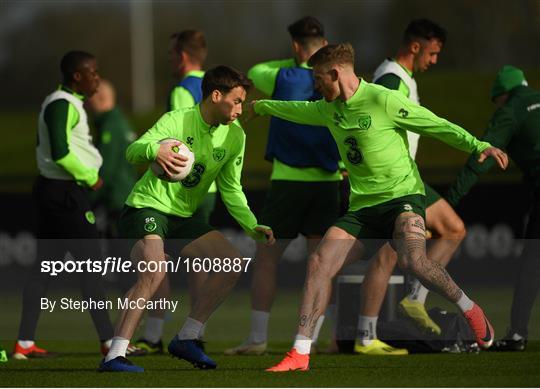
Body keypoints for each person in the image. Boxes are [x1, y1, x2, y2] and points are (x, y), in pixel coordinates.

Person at [251, 43, 508, 372]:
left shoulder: (381, 100)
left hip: (403, 199)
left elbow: (435, 124)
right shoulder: (328, 109)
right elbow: (294, 108)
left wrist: (478, 145)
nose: (314, 86)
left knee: (414, 260)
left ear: (334, 74)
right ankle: (300, 353)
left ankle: (470, 309)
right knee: (319, 262)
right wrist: (260, 106)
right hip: (363, 210)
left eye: (318, 79)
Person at [98, 65, 274, 373]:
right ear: (215, 95)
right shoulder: (177, 119)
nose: (240, 109)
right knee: (154, 271)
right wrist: (156, 151)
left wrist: (251, 224)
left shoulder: (235, 136)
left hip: (182, 217)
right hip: (146, 207)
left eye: (242, 102)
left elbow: (232, 189)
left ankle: (187, 337)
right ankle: (115, 355)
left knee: (230, 264)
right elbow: (132, 151)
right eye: (236, 101)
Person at [225, 16, 341, 356]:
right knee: (322, 264)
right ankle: (322, 337)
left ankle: (258, 338)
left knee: (266, 259)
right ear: (325, 43)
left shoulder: (278, 75)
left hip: (288, 183)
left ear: (294, 46)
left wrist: (296, 63)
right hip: (327, 183)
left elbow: (256, 69)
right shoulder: (334, 80)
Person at [352, 18, 465, 355]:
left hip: (397, 178)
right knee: (453, 229)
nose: (434, 61)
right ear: (415, 47)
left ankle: (365, 335)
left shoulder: (399, 77)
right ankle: (413, 302)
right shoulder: (391, 79)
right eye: (432, 53)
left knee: (386, 256)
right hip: (397, 179)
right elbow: (369, 122)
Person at [14, 51, 115, 359]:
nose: (97, 77)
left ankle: (24, 344)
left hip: (54, 192)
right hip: (66, 193)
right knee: (90, 269)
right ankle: (109, 344)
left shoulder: (65, 102)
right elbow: (60, 152)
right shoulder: (61, 103)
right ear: (77, 76)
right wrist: (89, 176)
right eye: (93, 72)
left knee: (43, 270)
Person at [446, 65, 540, 352]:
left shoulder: (511, 110)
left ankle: (517, 335)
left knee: (532, 262)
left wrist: (447, 202)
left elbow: (482, 156)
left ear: (503, 94)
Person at [135, 29, 213, 355]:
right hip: (208, 187)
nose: (169, 60)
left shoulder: (183, 91)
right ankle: (194, 332)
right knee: (198, 260)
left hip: (180, 190)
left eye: (170, 55)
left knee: (156, 258)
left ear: (181, 56)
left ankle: (154, 335)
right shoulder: (214, 86)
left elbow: (180, 142)